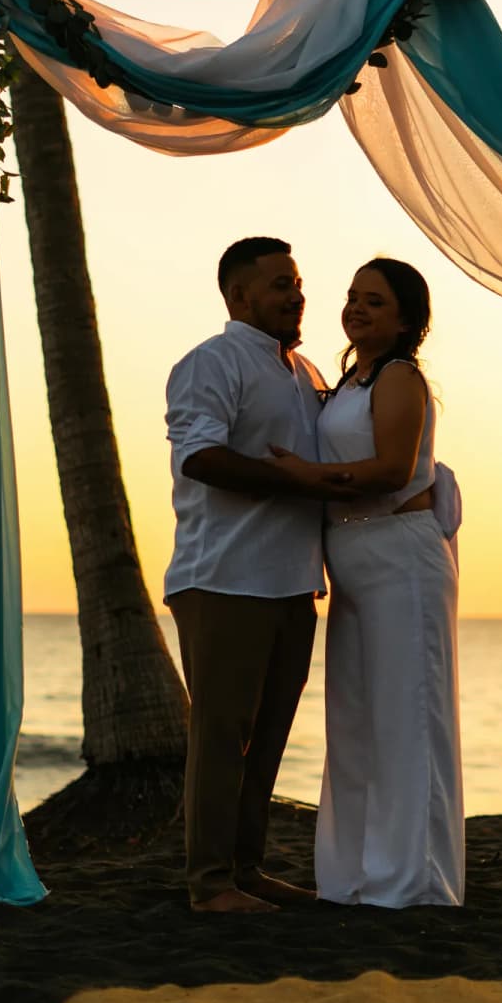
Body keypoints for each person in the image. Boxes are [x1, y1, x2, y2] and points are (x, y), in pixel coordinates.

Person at [271, 258, 464, 908]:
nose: (357, 309)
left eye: (375, 302)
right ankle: (351, 876)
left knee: (407, 716)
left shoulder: (400, 377)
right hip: (352, 562)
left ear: (407, 319)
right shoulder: (348, 382)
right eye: (353, 297)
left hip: (400, 559)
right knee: (354, 720)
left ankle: (410, 881)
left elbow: (390, 471)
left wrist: (304, 477)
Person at [164, 236, 348, 915]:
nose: (296, 294)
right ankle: (209, 881)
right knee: (221, 736)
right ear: (240, 296)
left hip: (294, 582)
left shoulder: (303, 372)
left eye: (297, 282)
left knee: (267, 736)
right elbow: (200, 457)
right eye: (279, 284)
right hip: (224, 579)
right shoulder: (211, 363)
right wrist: (298, 481)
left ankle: (246, 868)